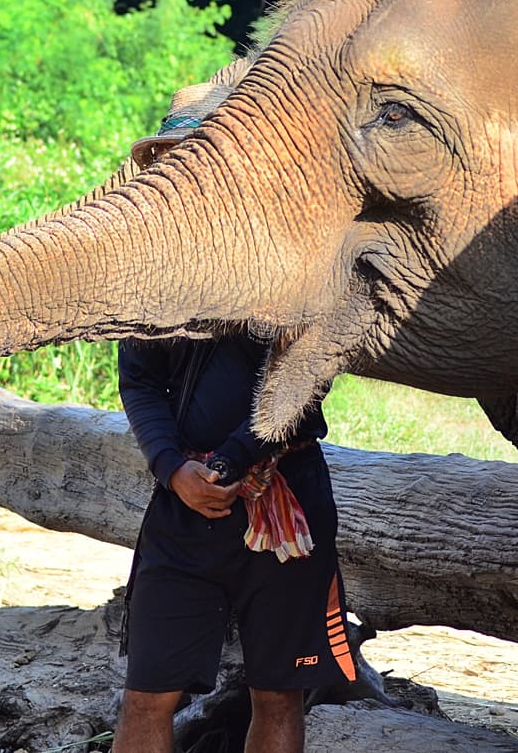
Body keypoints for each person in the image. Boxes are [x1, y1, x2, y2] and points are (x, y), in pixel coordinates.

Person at [114, 83, 356, 753]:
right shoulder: (151, 270)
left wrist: (228, 464)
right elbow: (139, 382)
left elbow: (307, 376)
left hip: (285, 504)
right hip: (183, 508)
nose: (181, 175)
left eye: (196, 158)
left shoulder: (299, 255)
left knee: (279, 695)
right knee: (146, 697)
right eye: (170, 161)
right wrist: (174, 470)